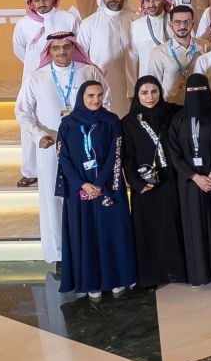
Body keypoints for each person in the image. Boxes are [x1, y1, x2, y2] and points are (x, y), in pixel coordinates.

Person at [16, 32, 105, 263]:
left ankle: (89, 249)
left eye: (66, 47)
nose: (62, 52)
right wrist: (38, 135)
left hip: (86, 146)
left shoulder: (89, 72)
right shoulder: (36, 77)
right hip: (50, 146)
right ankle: (59, 255)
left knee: (86, 193)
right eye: (56, 48)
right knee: (53, 199)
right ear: (49, 51)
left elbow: (106, 101)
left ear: (74, 48)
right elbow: (22, 111)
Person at [55, 81, 135, 299]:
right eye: (90, 95)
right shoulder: (68, 124)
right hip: (79, 189)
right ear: (81, 97)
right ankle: (91, 282)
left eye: (99, 95)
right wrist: (82, 184)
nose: (96, 100)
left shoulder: (111, 121)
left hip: (108, 186)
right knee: (87, 234)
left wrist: (98, 183)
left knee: (111, 232)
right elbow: (63, 157)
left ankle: (116, 278)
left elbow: (115, 154)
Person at [120, 76, 184, 288]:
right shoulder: (128, 122)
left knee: (174, 224)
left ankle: (177, 271)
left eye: (154, 91)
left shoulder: (173, 113)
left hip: (172, 179)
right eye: (144, 93)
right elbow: (127, 156)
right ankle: (151, 275)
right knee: (149, 228)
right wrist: (136, 182)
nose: (150, 97)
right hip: (145, 184)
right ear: (137, 95)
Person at [168, 73, 211, 284]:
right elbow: (174, 153)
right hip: (191, 182)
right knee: (195, 225)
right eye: (192, 91)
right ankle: (200, 272)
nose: (196, 94)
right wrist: (195, 176)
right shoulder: (178, 119)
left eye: (200, 90)